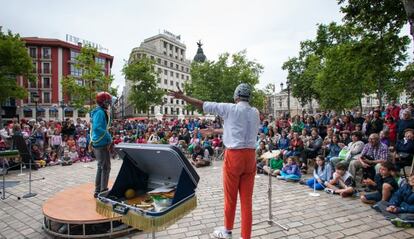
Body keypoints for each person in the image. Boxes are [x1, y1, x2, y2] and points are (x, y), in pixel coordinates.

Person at [169, 83, 260, 239]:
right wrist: (215, 131)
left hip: (234, 156)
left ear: (236, 96)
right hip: (250, 156)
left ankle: (227, 231)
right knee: (247, 201)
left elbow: (202, 104)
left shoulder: (229, 108)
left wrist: (182, 97)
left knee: (230, 197)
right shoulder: (255, 112)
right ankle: (246, 236)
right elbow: (235, 129)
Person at [90, 92, 113, 198]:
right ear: (103, 102)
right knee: (105, 167)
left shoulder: (98, 111)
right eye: (108, 101)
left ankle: (98, 190)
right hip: (101, 143)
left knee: (101, 167)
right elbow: (97, 128)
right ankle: (102, 190)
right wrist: (109, 138)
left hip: (98, 142)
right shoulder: (99, 112)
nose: (109, 104)